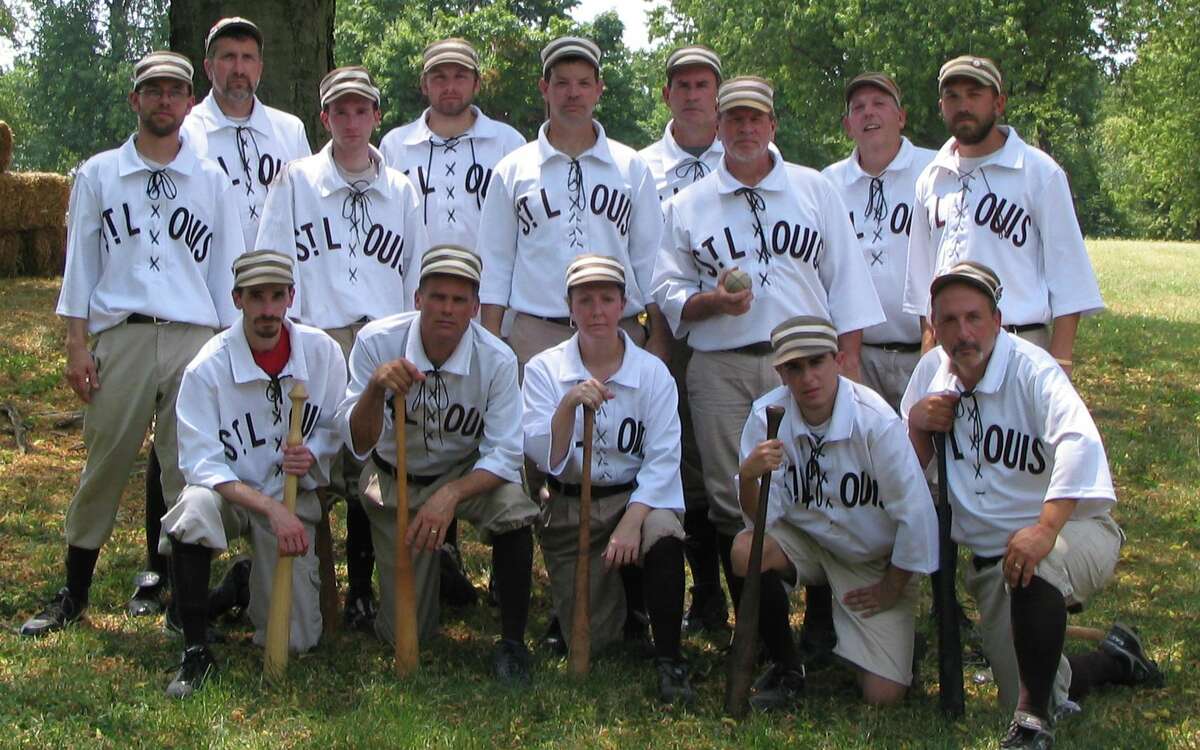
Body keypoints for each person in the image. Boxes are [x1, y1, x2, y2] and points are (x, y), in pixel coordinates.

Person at [651, 75, 883, 653]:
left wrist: (848, 360)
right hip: (722, 367)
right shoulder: (687, 204)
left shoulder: (813, 190)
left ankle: (824, 623)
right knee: (737, 500)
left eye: (756, 119)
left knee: (822, 487)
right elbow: (667, 289)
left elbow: (846, 280)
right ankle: (761, 634)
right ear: (720, 128)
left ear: (772, 125)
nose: (746, 129)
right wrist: (710, 302)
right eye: (734, 120)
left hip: (807, 368)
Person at [20, 51, 242, 638]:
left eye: (175, 91)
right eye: (154, 90)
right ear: (135, 100)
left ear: (190, 103)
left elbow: (227, 277)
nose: (164, 100)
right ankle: (74, 591)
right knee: (105, 464)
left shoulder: (213, 181)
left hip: (193, 337)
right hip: (122, 335)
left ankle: (180, 602)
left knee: (187, 472)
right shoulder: (98, 174)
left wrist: (227, 355)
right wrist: (76, 343)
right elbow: (80, 269)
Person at [902, 261, 1162, 748]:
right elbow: (907, 481)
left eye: (974, 317)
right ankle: (1114, 660)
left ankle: (1031, 725)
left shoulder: (1032, 369)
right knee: (1030, 679)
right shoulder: (930, 375)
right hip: (993, 566)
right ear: (934, 328)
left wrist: (1044, 528)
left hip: (1073, 531)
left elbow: (1079, 445)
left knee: (1035, 575)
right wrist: (916, 425)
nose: (963, 332)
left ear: (997, 321)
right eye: (950, 321)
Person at [256, 65, 429, 631]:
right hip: (317, 335)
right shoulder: (295, 180)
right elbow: (273, 263)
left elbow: (414, 275)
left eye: (361, 110)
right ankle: (309, 582)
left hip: (381, 335)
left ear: (377, 117)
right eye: (340, 111)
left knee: (372, 461)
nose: (351, 121)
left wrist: (410, 340)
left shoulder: (401, 189)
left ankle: (361, 589)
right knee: (315, 458)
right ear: (324, 117)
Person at [338, 245, 538, 682]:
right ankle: (438, 574)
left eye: (459, 299)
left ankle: (512, 644)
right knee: (405, 634)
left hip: (464, 474)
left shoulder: (497, 359)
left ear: (474, 307)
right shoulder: (377, 342)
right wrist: (374, 391)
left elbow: (505, 452)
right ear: (417, 299)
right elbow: (356, 442)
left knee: (515, 508)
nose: (447, 309)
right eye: (437, 297)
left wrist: (451, 495)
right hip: (396, 478)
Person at [159, 250, 346, 698]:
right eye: (256, 297)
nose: (267, 310)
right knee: (194, 509)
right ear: (237, 299)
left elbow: (337, 424)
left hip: (291, 492)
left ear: (291, 298)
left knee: (296, 641)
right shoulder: (207, 368)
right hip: (234, 497)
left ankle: (245, 582)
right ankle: (196, 649)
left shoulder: (322, 354)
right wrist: (267, 508)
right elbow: (202, 465)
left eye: (276, 297)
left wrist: (313, 453)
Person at [733, 314, 938, 709]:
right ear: (781, 373)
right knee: (745, 551)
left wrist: (891, 587)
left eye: (817, 362)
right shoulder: (767, 417)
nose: (808, 377)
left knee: (883, 697)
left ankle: (898, 644)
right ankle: (785, 665)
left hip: (870, 557)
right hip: (808, 540)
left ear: (839, 360)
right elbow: (760, 526)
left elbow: (916, 515)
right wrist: (746, 478)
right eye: (795, 367)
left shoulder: (874, 420)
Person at [522, 255, 692, 704]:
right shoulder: (544, 369)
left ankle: (670, 658)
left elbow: (662, 460)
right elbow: (543, 456)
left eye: (607, 299)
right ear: (570, 307)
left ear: (623, 305)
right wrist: (567, 406)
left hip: (633, 499)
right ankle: (626, 606)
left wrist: (633, 521)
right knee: (600, 640)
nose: (596, 311)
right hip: (570, 506)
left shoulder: (653, 373)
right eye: (585, 300)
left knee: (664, 533)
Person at [903, 55, 1104, 373]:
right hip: (951, 351)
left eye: (974, 94)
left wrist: (1060, 365)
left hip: (1020, 345)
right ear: (941, 105)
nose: (963, 105)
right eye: (952, 96)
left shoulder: (1038, 172)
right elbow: (921, 288)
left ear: (999, 103)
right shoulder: (931, 179)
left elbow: (1070, 282)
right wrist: (929, 363)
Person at [477, 36, 670, 367]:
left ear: (599, 89)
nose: (573, 93)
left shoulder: (630, 166)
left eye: (583, 83)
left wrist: (660, 335)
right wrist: (492, 341)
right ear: (544, 88)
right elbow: (495, 264)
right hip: (537, 333)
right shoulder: (513, 169)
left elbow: (650, 259)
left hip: (618, 332)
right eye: (562, 83)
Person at [638, 44, 728, 634]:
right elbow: (641, 254)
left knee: (726, 466)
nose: (693, 95)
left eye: (703, 85)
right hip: (664, 334)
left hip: (731, 335)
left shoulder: (750, 157)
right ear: (666, 95)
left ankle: (740, 583)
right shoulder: (640, 166)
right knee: (680, 464)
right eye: (683, 85)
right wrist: (656, 336)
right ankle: (703, 597)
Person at [822, 72, 935, 412]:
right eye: (858, 108)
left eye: (880, 104)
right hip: (858, 355)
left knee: (926, 458)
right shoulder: (828, 184)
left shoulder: (934, 170)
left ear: (901, 117)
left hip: (925, 347)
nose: (869, 113)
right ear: (847, 125)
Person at [380, 37, 526, 251]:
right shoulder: (395, 146)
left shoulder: (509, 143)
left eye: (460, 77)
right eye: (439, 78)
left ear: (477, 83)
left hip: (488, 281)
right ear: (424, 85)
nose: (450, 87)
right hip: (416, 281)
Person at [182, 16, 311, 249]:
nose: (239, 69)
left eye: (248, 58)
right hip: (210, 277)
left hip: (278, 277)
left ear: (260, 68)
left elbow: (307, 212)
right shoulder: (186, 133)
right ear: (208, 68)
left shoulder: (290, 131)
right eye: (228, 57)